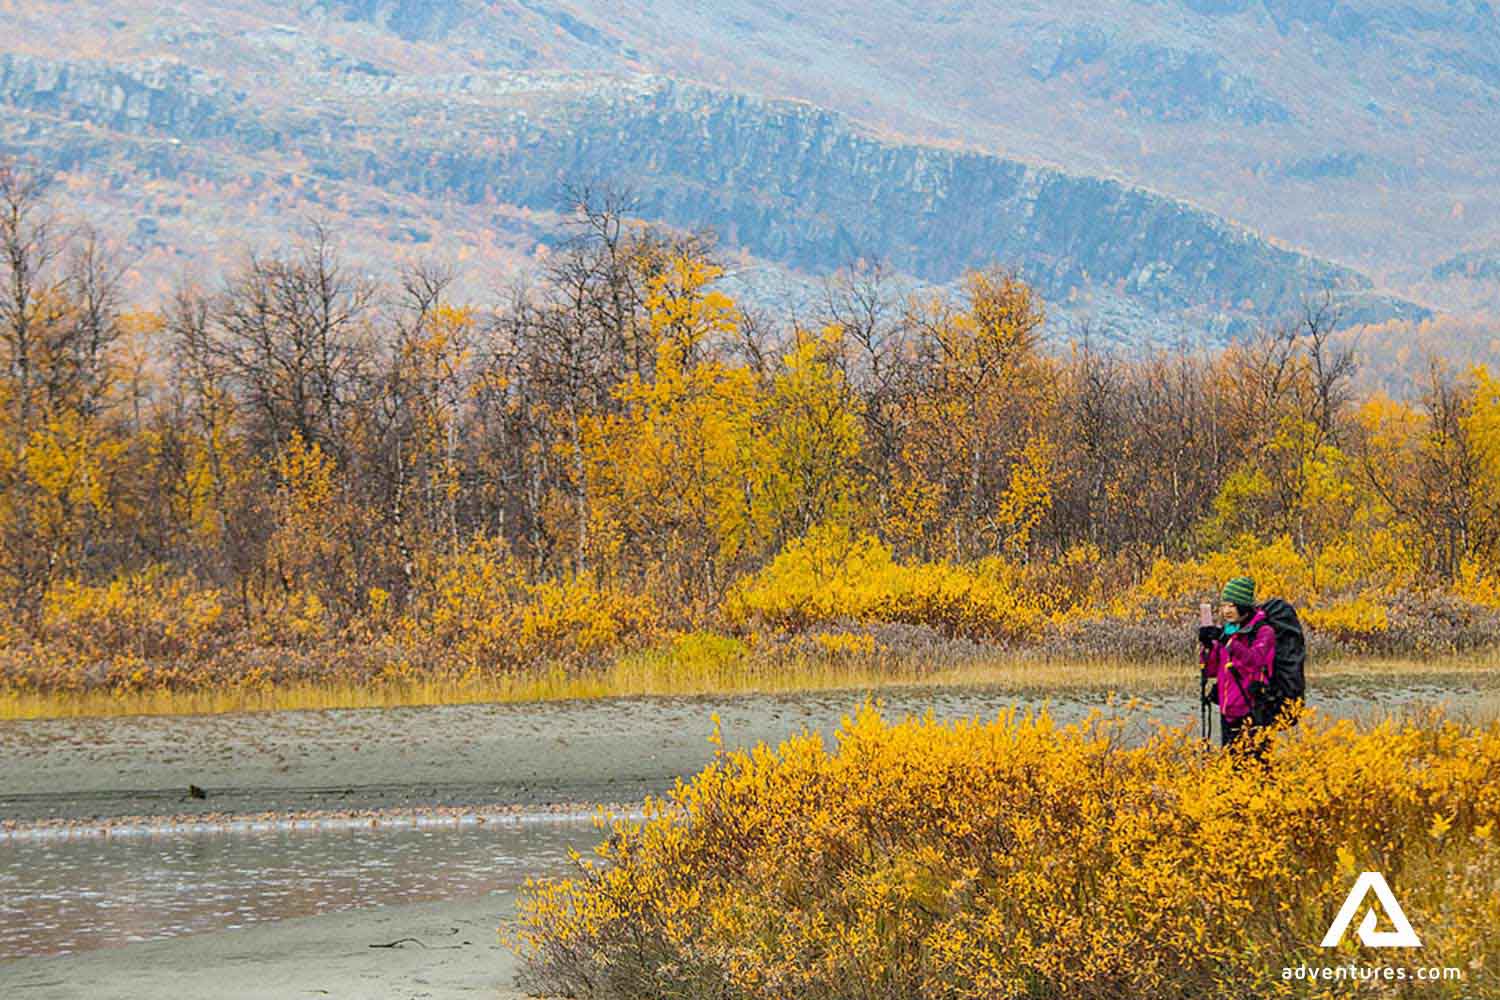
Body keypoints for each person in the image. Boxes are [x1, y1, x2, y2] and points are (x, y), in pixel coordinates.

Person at [1198, 576, 1276, 749]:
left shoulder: (1264, 632)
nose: (1226, 611)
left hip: (1253, 711)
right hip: (1228, 712)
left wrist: (1228, 641)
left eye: (1232, 605)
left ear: (1244, 606)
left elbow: (1254, 661)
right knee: (1230, 766)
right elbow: (1211, 670)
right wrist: (1208, 646)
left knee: (1254, 767)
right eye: (1224, 605)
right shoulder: (1229, 631)